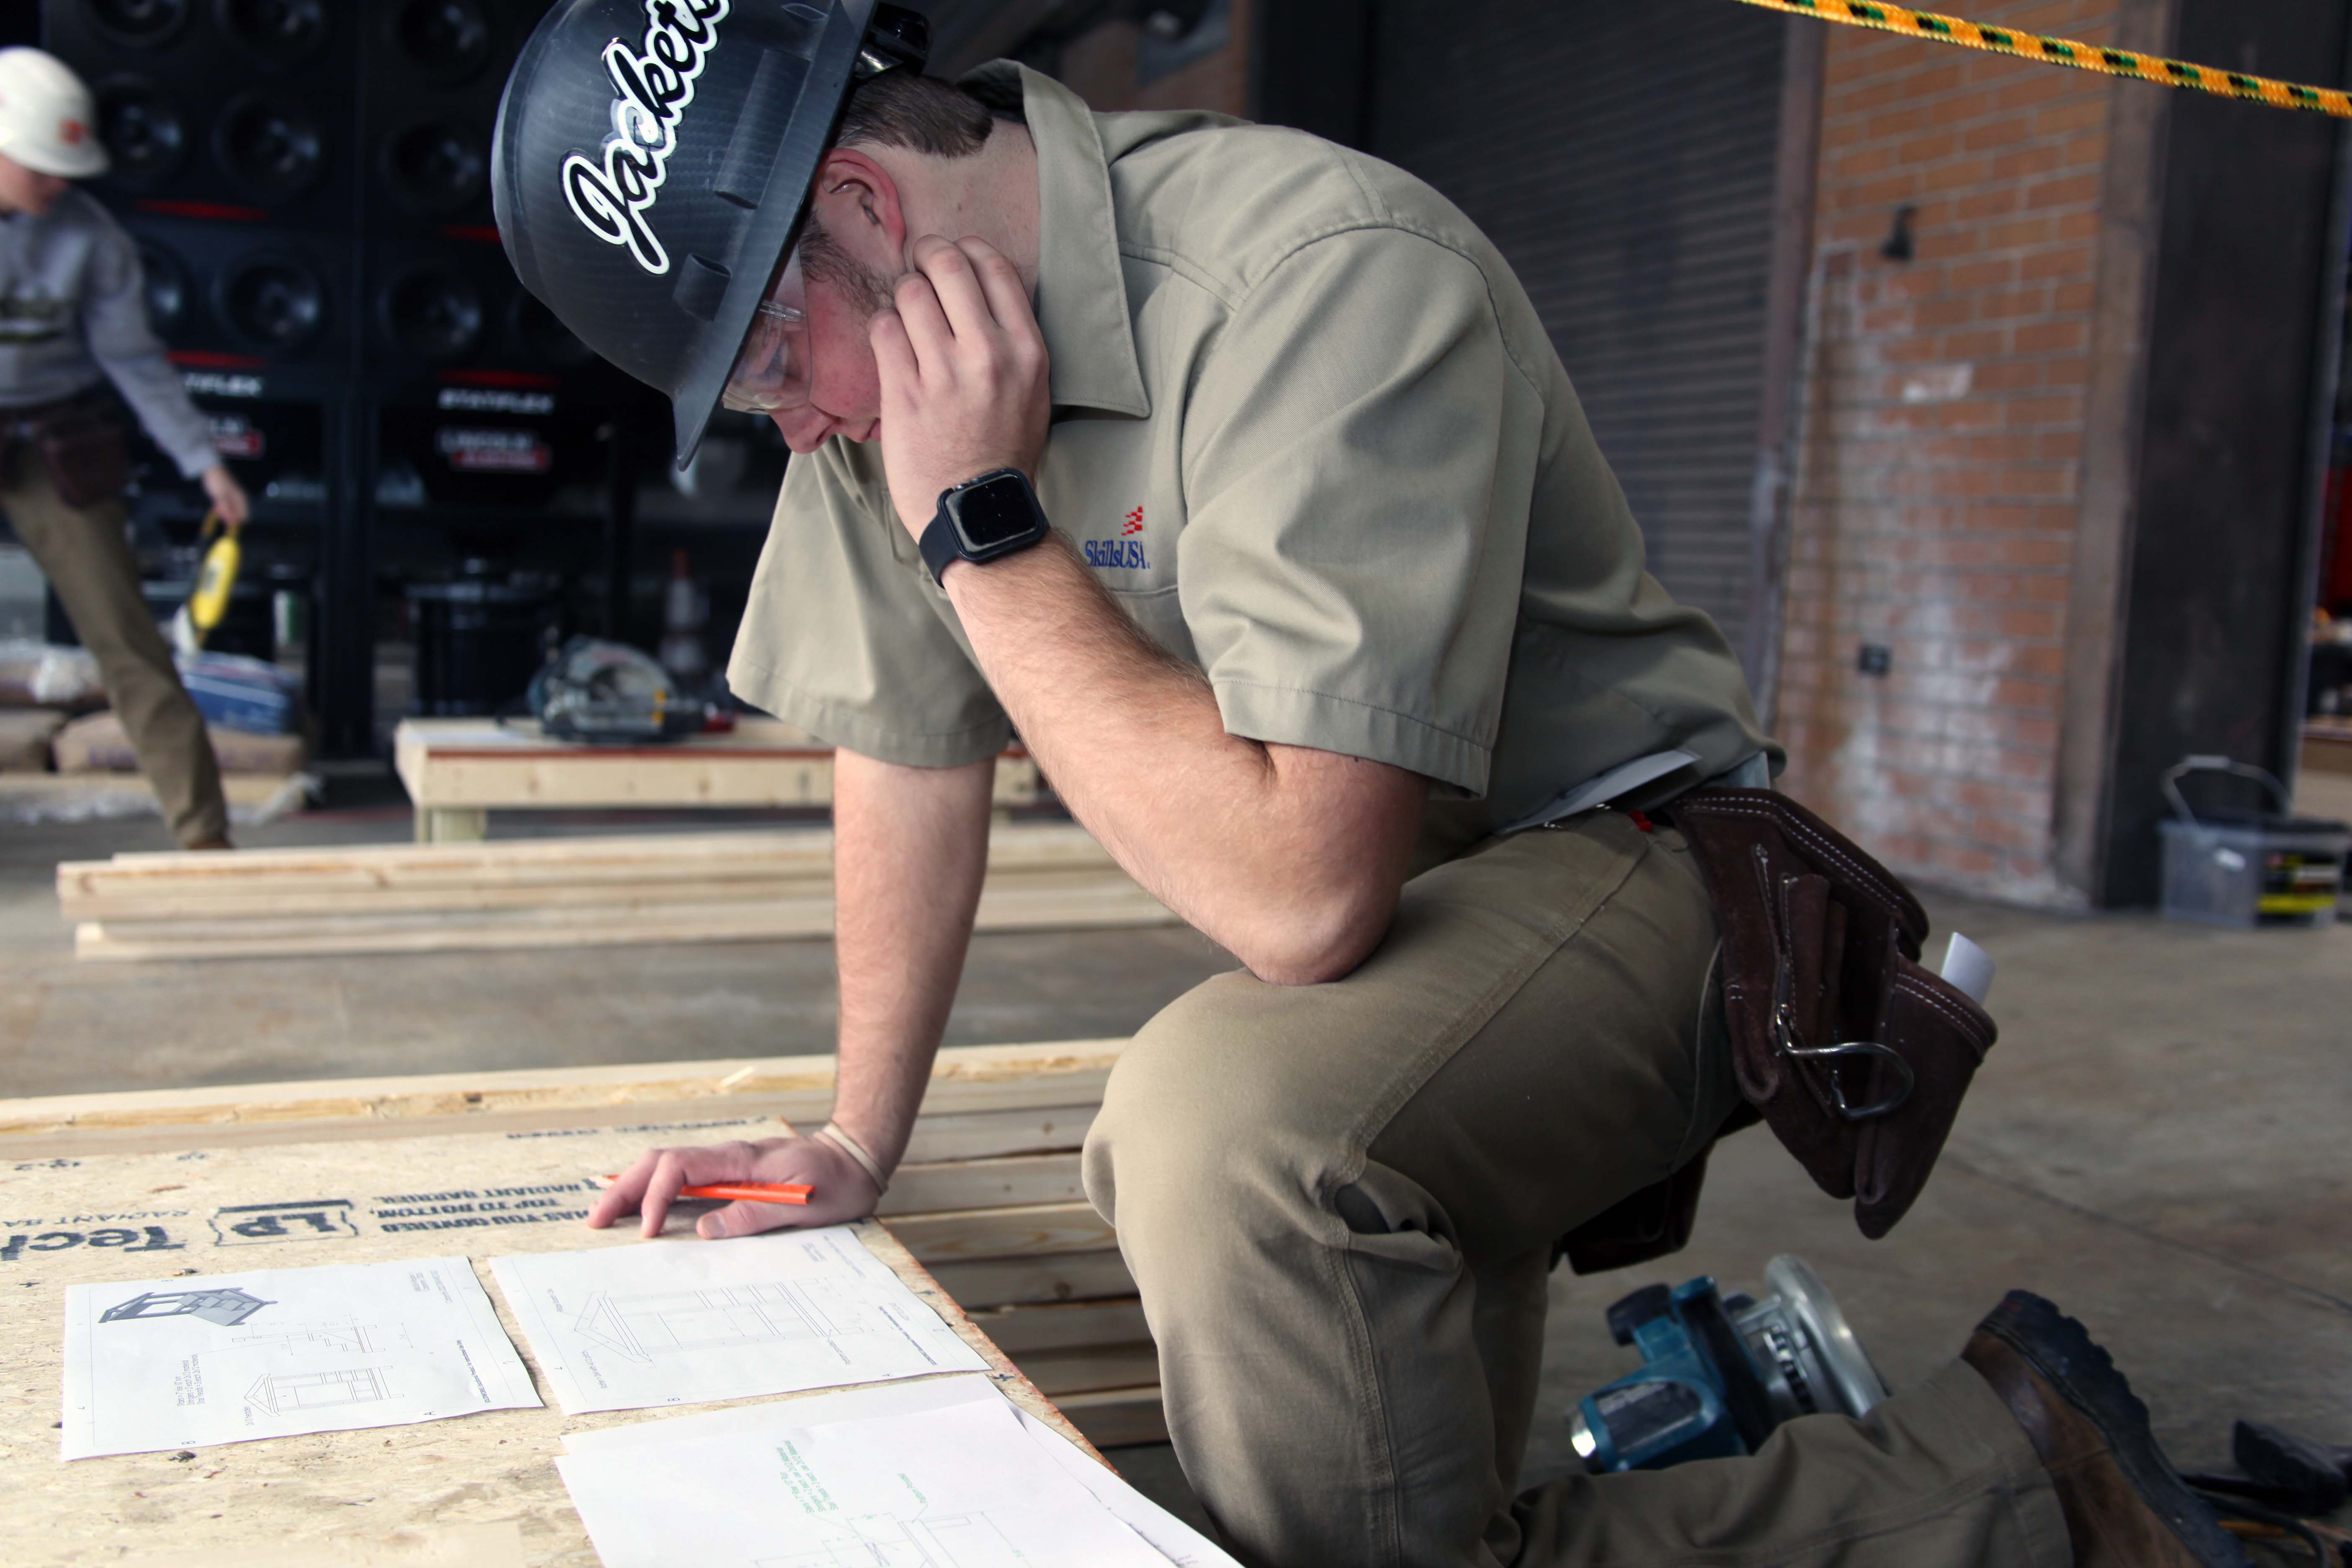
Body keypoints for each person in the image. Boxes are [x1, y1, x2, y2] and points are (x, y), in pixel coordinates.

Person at [494, 7, 2245, 1564]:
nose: (793, 428)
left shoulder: (1317, 274)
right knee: (1378, 1513)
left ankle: (1994, 1491)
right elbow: (904, 743)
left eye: (774, 371)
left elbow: (1299, 895)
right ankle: (2028, 1468)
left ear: (870, 213)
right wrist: (858, 1133)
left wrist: (984, 531)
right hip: (1417, 933)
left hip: (1639, 869)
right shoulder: (888, 385)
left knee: (1221, 1131)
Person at [0, 46, 249, 851]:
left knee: (126, 639)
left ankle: (205, 841)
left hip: (50, 436)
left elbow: (136, 362)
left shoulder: (89, 237)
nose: (59, 182)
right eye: (42, 165)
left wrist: (204, 463)